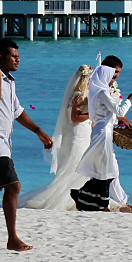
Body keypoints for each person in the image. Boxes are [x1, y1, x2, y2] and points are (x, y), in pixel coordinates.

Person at [0, 38, 54, 251]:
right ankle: (12, 239)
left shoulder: (10, 81)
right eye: (13, 56)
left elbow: (17, 111)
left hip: (3, 144)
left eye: (18, 56)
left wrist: (38, 131)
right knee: (14, 186)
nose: (18, 60)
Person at [72, 55, 132, 212]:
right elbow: (119, 111)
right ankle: (100, 202)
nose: (116, 76)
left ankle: (119, 203)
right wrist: (130, 98)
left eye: (118, 73)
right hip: (103, 133)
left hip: (103, 131)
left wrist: (120, 123)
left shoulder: (99, 89)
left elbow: (109, 115)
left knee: (110, 170)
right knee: (107, 171)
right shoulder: (103, 92)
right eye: (115, 72)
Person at [19, 64, 95, 210]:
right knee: (72, 169)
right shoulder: (78, 96)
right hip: (77, 136)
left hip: (83, 135)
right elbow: (74, 118)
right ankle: (67, 200)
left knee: (80, 169)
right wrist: (93, 112)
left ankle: (78, 199)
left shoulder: (84, 95)